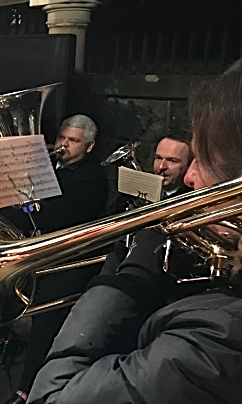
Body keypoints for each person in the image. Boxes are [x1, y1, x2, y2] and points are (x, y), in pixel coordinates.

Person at [26, 69, 242, 404]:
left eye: (204, 161)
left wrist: (127, 279)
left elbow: (53, 396)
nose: (190, 177)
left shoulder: (217, 338)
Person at [0, 114, 108, 404]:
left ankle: (27, 388)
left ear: (89, 147)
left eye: (73, 141)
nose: (64, 145)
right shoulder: (47, 166)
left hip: (68, 258)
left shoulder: (92, 179)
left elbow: (53, 215)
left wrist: (5, 212)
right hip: (40, 248)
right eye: (62, 137)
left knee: (46, 319)